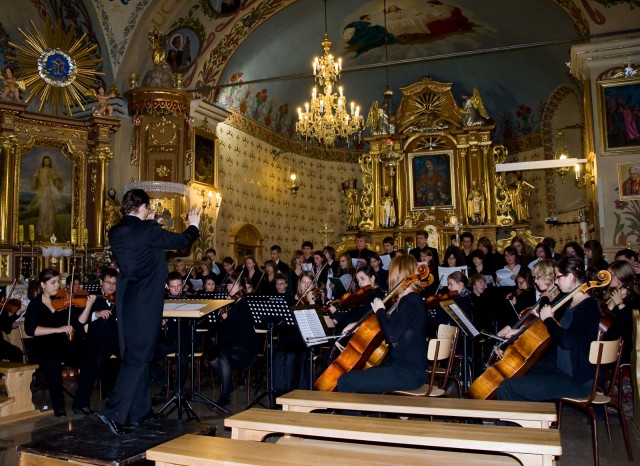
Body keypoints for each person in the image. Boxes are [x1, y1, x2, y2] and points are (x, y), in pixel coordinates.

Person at [96, 189, 200, 436]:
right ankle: (112, 412)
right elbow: (183, 241)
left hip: (128, 299)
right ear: (143, 206)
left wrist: (152, 221)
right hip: (146, 300)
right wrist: (193, 225)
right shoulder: (149, 231)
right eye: (148, 207)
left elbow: (142, 240)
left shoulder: (116, 231)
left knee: (137, 353)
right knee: (139, 356)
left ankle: (139, 412)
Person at [498, 257, 601, 401]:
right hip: (562, 371)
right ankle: (535, 421)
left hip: (576, 380)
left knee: (507, 387)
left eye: (558, 277)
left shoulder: (587, 307)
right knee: (519, 375)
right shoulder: (572, 302)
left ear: (571, 277)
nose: (556, 281)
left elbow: (566, 341)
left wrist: (548, 319)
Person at [337, 255, 427, 394]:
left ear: (398, 275)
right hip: (402, 367)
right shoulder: (409, 300)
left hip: (408, 373)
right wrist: (357, 325)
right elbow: (389, 326)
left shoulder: (410, 302)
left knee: (345, 381)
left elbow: (391, 334)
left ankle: (353, 417)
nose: (388, 278)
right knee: (362, 377)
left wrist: (380, 310)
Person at [24, 268, 93, 417]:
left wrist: (88, 305)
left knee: (89, 360)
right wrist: (56, 329)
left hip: (62, 345)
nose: (57, 286)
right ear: (43, 285)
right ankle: (58, 405)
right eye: (53, 282)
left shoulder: (64, 302)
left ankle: (80, 402)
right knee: (52, 364)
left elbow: (79, 323)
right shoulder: (35, 304)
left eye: (58, 282)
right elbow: (30, 330)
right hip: (43, 346)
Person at [73, 268, 120, 415]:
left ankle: (124, 399)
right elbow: (80, 322)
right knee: (93, 360)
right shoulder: (92, 299)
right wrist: (95, 313)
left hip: (117, 341)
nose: (111, 286)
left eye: (114, 283)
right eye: (108, 282)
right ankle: (82, 403)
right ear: (101, 282)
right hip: (98, 341)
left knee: (135, 357)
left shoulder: (120, 299)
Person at [207, 275, 258, 407]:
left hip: (244, 345)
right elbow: (225, 330)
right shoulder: (230, 303)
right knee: (211, 358)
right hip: (231, 343)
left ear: (241, 287)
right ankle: (228, 384)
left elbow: (239, 327)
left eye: (233, 285)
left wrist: (227, 318)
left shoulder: (245, 303)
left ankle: (224, 396)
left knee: (224, 355)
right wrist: (223, 318)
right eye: (228, 285)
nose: (230, 287)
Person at [602, 260, 640, 364]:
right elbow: (604, 322)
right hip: (607, 340)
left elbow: (630, 327)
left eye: (611, 275)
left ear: (622, 276)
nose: (608, 278)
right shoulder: (609, 294)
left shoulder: (635, 300)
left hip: (622, 347)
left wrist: (620, 303)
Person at [29, 154, 63, 241]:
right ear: (43, 162)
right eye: (45, 161)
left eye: (48, 161)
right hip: (42, 192)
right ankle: (41, 230)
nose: (46, 162)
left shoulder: (52, 170)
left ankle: (48, 230)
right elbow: (34, 178)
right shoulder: (40, 170)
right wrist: (36, 179)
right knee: (43, 211)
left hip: (49, 192)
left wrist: (56, 180)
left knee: (50, 212)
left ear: (50, 162)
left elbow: (56, 179)